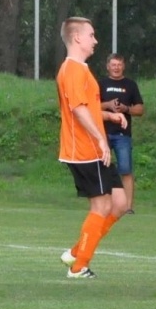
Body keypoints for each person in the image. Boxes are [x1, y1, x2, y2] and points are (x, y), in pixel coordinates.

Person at [56, 18, 129, 279]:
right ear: (77, 38)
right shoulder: (73, 69)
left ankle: (76, 253)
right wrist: (99, 138)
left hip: (97, 147)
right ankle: (78, 267)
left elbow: (86, 106)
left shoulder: (82, 70)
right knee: (101, 206)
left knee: (119, 204)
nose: (95, 40)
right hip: (84, 150)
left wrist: (108, 117)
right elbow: (76, 109)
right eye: (91, 35)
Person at [98, 53, 145, 212]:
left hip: (122, 134)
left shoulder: (130, 84)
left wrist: (126, 109)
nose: (116, 68)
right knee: (102, 169)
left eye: (119, 65)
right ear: (107, 66)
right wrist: (108, 105)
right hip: (102, 133)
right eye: (113, 65)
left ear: (123, 66)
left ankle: (128, 207)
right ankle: (105, 204)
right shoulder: (101, 83)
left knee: (125, 169)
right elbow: (90, 106)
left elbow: (140, 109)